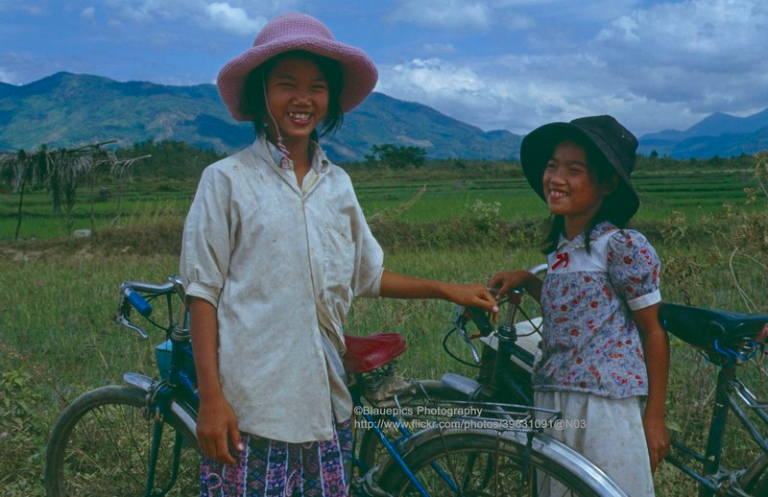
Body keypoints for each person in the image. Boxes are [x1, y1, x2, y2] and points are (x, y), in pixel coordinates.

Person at [179, 12, 497, 496]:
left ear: (330, 100)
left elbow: (367, 274)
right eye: (287, 84)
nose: (303, 99)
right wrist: (211, 398)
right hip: (251, 407)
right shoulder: (226, 180)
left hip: (325, 404)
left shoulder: (338, 186)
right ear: (261, 94)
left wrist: (445, 290)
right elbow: (202, 294)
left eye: (317, 87)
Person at [488, 115, 670, 496]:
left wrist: (654, 417)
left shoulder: (621, 247)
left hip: (605, 404)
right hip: (552, 396)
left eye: (574, 170)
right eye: (552, 165)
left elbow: (653, 330)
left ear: (606, 183)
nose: (555, 178)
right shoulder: (562, 251)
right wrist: (529, 280)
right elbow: (576, 314)